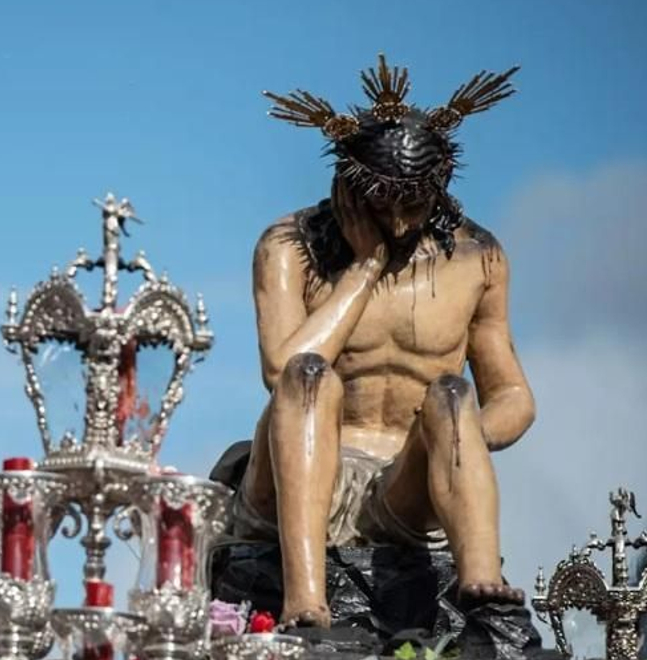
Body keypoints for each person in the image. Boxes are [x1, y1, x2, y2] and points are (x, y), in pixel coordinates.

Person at [219, 56, 534, 628]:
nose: (397, 223)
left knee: (449, 392)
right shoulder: (290, 246)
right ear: (348, 183)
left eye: (412, 204)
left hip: (405, 487)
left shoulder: (478, 257)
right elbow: (282, 368)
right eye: (381, 205)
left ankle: (481, 585)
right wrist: (365, 268)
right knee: (311, 377)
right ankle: (306, 598)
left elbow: (513, 396)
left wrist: (456, 436)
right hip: (300, 474)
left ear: (440, 187)